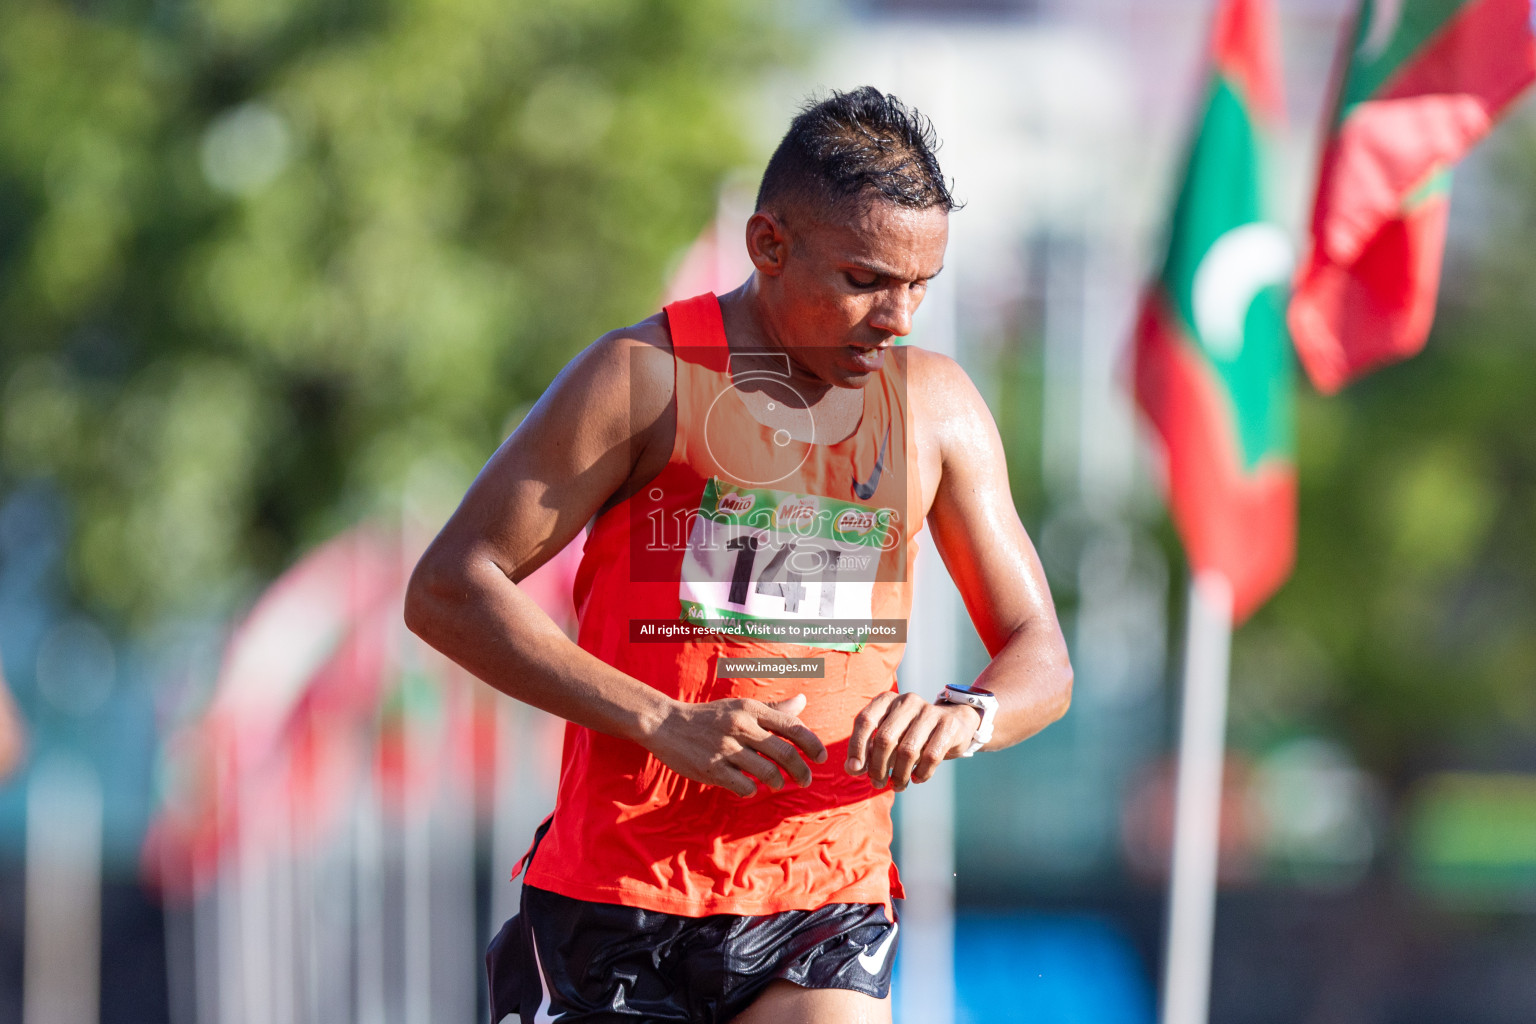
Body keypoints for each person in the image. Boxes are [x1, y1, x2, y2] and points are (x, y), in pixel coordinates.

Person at [405, 86, 1073, 1024]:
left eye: (921, 285)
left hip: (822, 891)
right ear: (768, 245)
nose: (899, 318)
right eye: (866, 280)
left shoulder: (938, 408)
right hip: (621, 895)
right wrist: (661, 719)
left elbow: (1040, 652)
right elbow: (447, 589)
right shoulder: (639, 379)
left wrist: (965, 716)